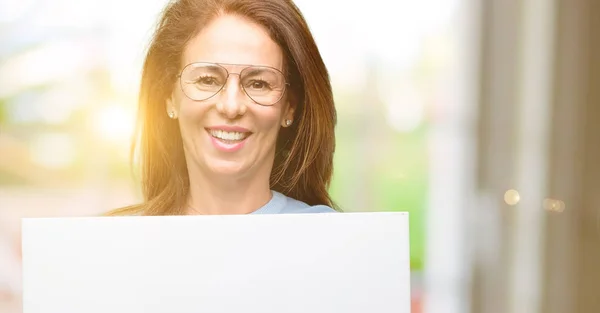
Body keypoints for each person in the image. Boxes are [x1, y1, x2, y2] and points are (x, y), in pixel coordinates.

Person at [106, 0, 339, 216]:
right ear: (169, 97)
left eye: (258, 84)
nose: (231, 106)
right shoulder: (112, 241)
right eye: (207, 80)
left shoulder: (334, 238)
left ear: (289, 107)